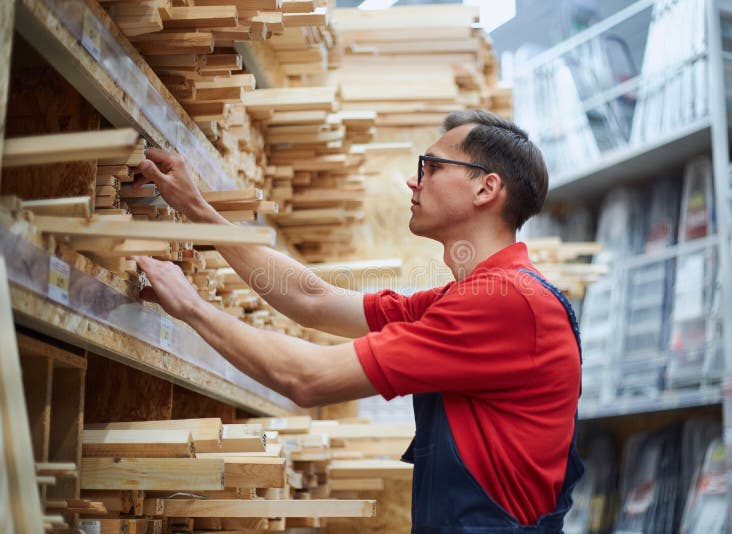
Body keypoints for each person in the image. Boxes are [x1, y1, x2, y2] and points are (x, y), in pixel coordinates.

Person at [133, 110, 583, 532]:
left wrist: (191, 306)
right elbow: (312, 299)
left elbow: (306, 378)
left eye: (430, 166)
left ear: (486, 188)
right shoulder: (475, 296)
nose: (413, 180)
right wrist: (199, 212)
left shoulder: (507, 302)